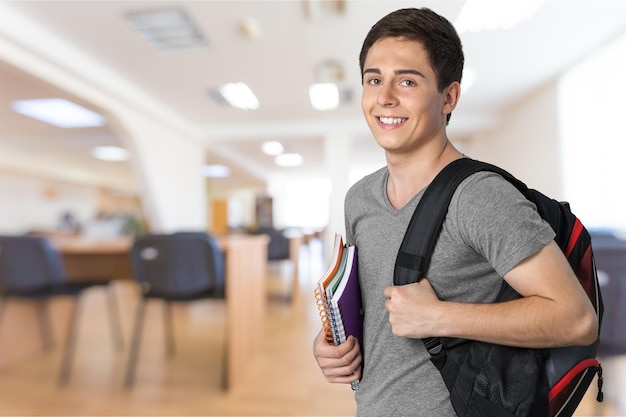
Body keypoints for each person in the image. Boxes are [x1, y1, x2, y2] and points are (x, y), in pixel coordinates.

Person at [312, 7, 598, 417]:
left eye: (407, 80)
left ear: (449, 97)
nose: (384, 97)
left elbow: (574, 320)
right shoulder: (358, 198)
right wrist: (332, 345)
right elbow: (376, 312)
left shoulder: (480, 198)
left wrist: (439, 316)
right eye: (374, 79)